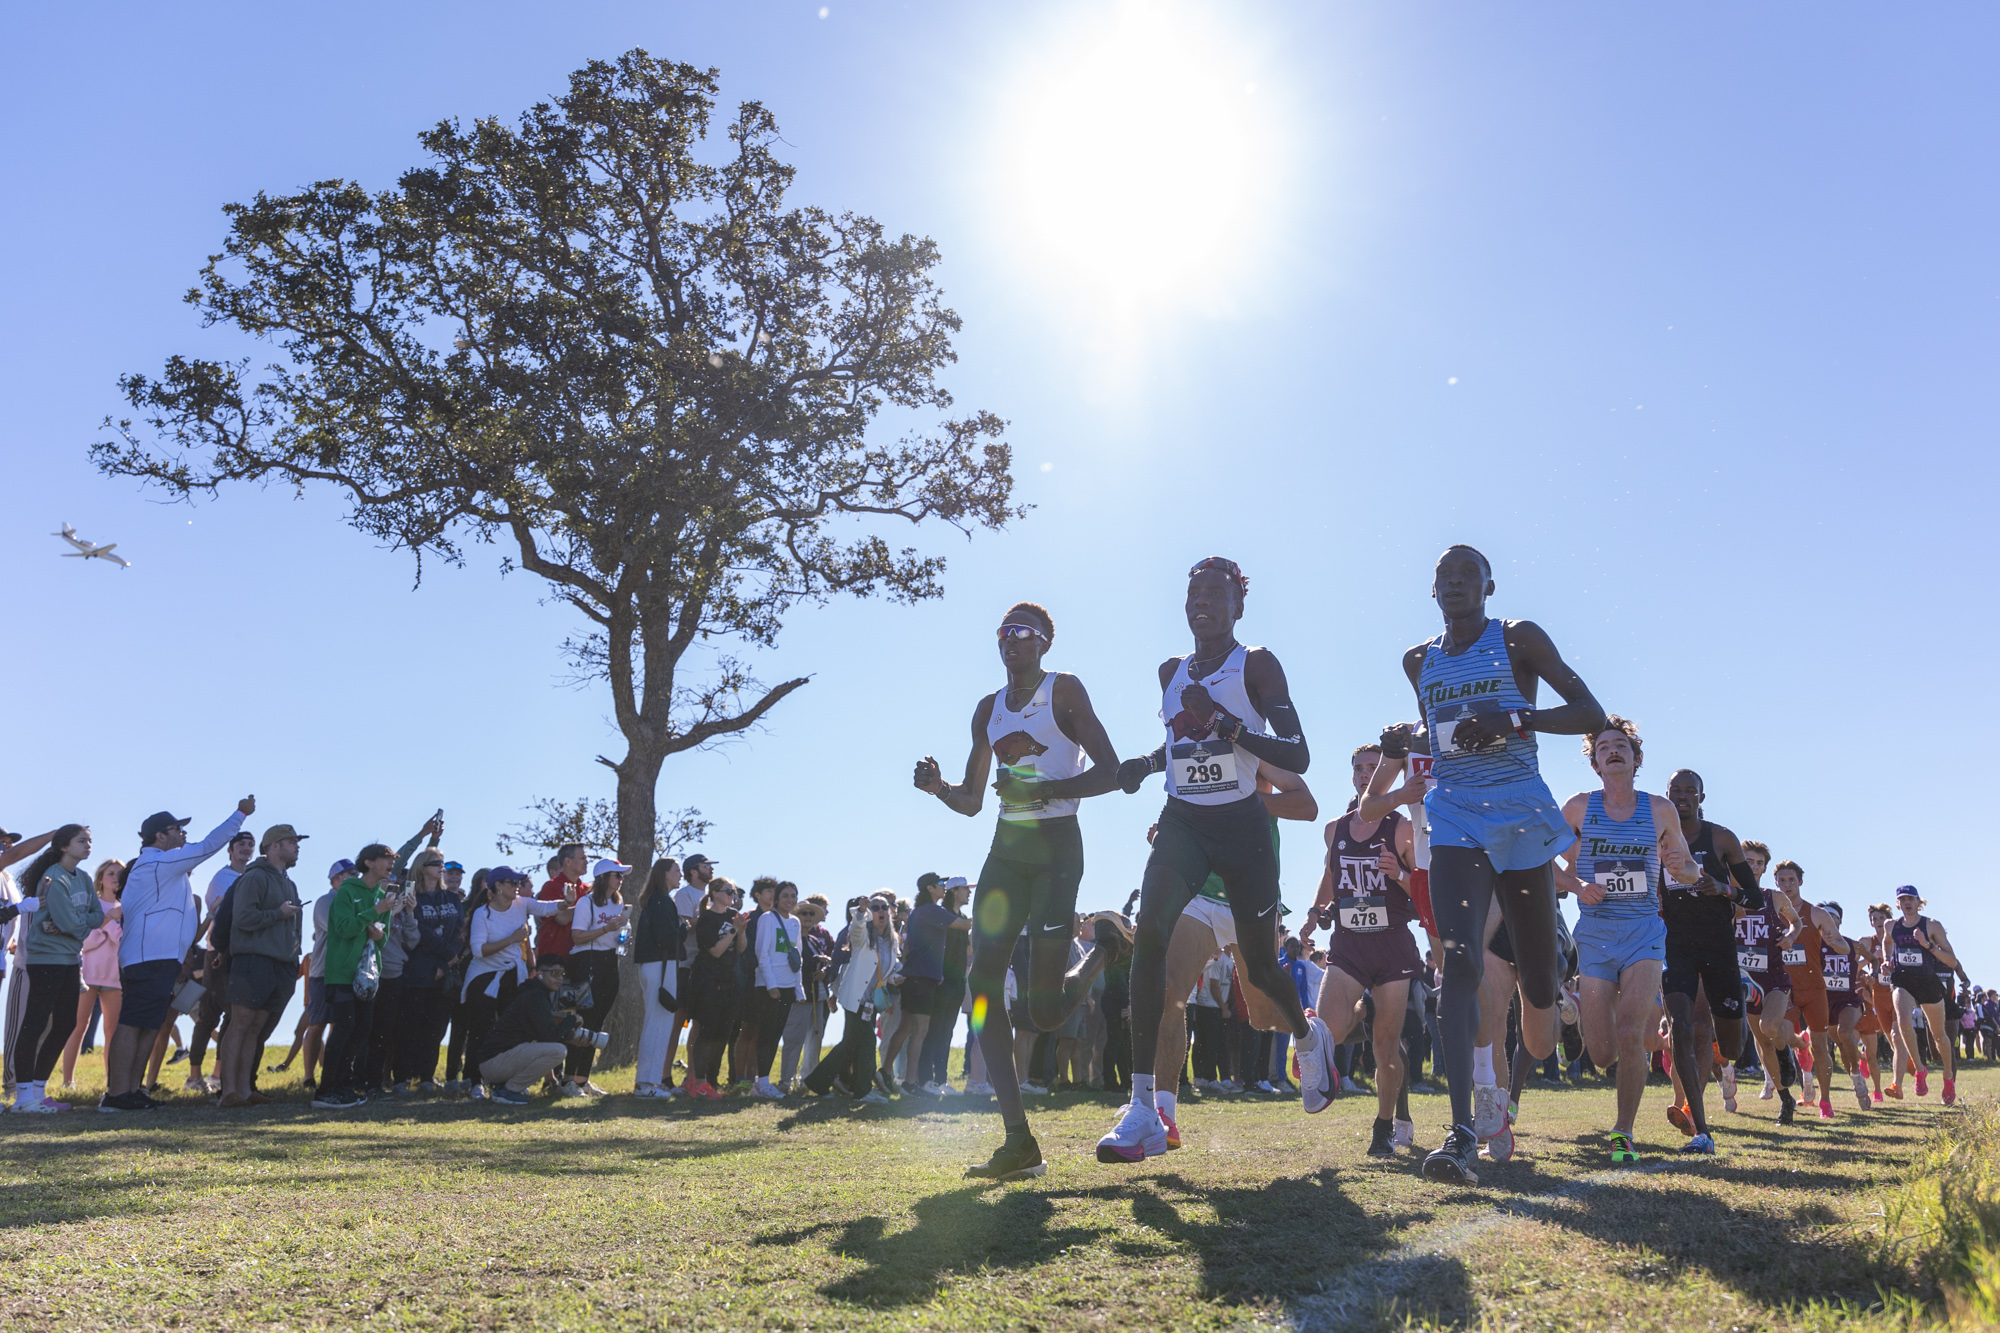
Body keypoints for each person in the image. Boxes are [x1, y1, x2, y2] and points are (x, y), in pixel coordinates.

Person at [1370, 545, 1606, 1185]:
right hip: (1454, 818)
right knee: (1461, 960)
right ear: (1433, 589)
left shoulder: (1518, 638)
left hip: (1522, 815)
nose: (1454, 584)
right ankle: (1464, 1128)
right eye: (1444, 576)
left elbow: (1591, 713)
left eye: (1467, 575)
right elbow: (1440, 733)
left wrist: (1513, 717)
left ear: (1489, 586)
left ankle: (1549, 994)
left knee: (1536, 991)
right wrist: (1406, 742)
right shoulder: (1418, 659)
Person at [1107, 559, 1324, 1166]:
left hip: (1242, 829)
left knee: (1262, 969)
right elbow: (1181, 740)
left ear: (1238, 606)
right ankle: (1145, 1110)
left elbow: (1297, 754)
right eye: (1193, 593)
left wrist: (1225, 721)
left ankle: (1309, 1039)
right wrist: (1145, 766)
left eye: (1216, 594)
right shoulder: (1171, 672)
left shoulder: (1256, 662)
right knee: (1149, 936)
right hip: (1184, 822)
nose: (1202, 602)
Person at [913, 599, 1131, 1180]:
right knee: (983, 987)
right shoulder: (988, 709)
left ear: (1045, 644)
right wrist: (939, 788)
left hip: (1058, 849)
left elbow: (1111, 772)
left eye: (1026, 632)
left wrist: (1041, 793)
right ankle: (1018, 1141)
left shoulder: (1064, 692)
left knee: (1045, 1010)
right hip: (1005, 854)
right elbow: (972, 801)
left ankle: (1105, 950)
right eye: (1005, 631)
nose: (1014, 639)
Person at [1142, 766, 1317, 1148]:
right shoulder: (1194, 746)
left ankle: (1309, 1031)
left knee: (1262, 1017)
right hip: (1201, 893)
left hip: (1251, 891)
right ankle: (1164, 1115)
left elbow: (1307, 805)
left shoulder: (1255, 750)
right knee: (1169, 991)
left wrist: (1244, 802)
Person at [1551, 718, 1700, 1165]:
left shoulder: (1659, 810)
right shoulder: (1578, 808)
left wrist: (1680, 866)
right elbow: (1540, 861)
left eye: (1621, 745)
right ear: (1594, 763)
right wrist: (1577, 886)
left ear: (1636, 759)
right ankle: (1577, 1012)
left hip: (1644, 934)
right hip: (1595, 936)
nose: (1612, 751)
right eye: (1603, 747)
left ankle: (1624, 1131)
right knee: (1601, 1054)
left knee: (1631, 1032)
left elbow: (1691, 871)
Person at [1302, 745, 1426, 1157]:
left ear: (1388, 776)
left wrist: (1401, 874)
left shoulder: (1403, 828)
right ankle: (1360, 1011)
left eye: (1374, 768)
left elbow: (1424, 890)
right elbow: (1329, 873)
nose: (1365, 774)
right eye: (1359, 768)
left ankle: (1384, 1124)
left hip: (1392, 945)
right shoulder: (1334, 828)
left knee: (1385, 1049)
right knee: (1325, 1033)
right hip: (1349, 943)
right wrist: (1315, 911)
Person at [101, 799, 254, 1112]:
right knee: (132, 1023)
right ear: (160, 836)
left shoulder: (162, 864)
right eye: (177, 829)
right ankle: (116, 1095)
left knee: (149, 1025)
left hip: (160, 959)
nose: (184, 834)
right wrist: (240, 814)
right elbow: (209, 845)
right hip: (147, 958)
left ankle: (133, 1091)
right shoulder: (157, 862)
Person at [1651, 770, 1761, 1153]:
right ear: (1665, 796)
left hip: (1718, 945)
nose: (1682, 797)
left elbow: (1755, 898)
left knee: (1731, 1044)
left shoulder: (1721, 838)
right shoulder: (1655, 837)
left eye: (1689, 791)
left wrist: (1723, 889)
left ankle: (1722, 1054)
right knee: (1682, 1025)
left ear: (1701, 797)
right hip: (1674, 944)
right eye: (1674, 791)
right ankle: (1702, 1129)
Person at [11, 825, 106, 1111]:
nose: (88, 845)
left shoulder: (85, 878)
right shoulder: (54, 877)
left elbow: (98, 915)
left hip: (70, 960)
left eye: (90, 840)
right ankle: (24, 1098)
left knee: (66, 1023)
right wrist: (76, 925)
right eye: (82, 841)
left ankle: (39, 1093)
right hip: (45, 960)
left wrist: (75, 925)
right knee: (35, 1023)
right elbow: (74, 924)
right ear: (64, 846)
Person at [216, 825, 307, 1107]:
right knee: (240, 1024)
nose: (297, 847)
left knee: (256, 1028)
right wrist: (278, 914)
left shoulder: (288, 882)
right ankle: (228, 1091)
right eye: (292, 841)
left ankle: (244, 1090)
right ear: (275, 846)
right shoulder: (254, 877)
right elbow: (243, 919)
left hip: (280, 964)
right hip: (253, 960)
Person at [880, 874, 973, 1097]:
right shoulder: (932, 911)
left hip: (915, 977)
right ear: (930, 888)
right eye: (941, 885)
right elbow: (965, 924)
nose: (943, 888)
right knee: (921, 1031)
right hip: (923, 978)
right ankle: (912, 1082)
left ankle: (888, 1073)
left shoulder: (919, 911)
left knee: (907, 1029)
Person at [1735, 841, 1806, 1122]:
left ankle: (1785, 1052)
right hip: (1745, 978)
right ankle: (1785, 1099)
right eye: (1748, 861)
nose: (1753, 867)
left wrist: (1789, 937)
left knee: (1769, 1027)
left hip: (1774, 976)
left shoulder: (1774, 898)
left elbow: (1796, 922)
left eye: (1758, 863)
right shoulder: (1730, 896)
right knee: (1760, 1042)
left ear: (1765, 868)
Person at [803, 893, 897, 1107]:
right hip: (855, 997)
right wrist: (861, 912)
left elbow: (886, 968)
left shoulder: (890, 940)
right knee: (867, 1042)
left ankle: (822, 1082)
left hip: (871, 1001)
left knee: (852, 1043)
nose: (881, 911)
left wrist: (897, 977)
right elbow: (856, 931)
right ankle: (861, 1090)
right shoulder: (863, 935)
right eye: (875, 907)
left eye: (884, 907)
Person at [473, 957, 602, 1105]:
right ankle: (509, 1091)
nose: (559, 978)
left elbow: (543, 1033)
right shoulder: (535, 996)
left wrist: (570, 1032)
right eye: (555, 973)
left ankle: (505, 1087)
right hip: (494, 1063)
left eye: (562, 974)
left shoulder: (534, 992)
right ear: (540, 974)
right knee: (558, 1051)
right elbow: (550, 1036)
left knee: (553, 1048)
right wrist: (572, 1020)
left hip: (494, 1062)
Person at [1882, 887, 1961, 1105]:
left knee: (1939, 1036)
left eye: (1910, 899)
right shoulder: (1892, 925)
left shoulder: (1931, 925)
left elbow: (1952, 961)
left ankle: (1947, 1078)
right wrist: (1888, 959)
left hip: (1927, 981)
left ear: (1919, 902)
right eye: (1902, 900)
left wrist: (1928, 946)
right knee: (1904, 1021)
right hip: (1902, 979)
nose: (1906, 903)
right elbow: (1887, 941)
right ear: (1898, 904)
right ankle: (1919, 1069)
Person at [562, 858, 631, 1097]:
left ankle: (582, 1080)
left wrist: (624, 938)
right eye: (617, 875)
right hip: (585, 962)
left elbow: (617, 936)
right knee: (581, 1020)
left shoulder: (618, 903)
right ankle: (568, 1079)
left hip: (609, 961)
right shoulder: (586, 902)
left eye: (622, 875)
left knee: (597, 1022)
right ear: (603, 877)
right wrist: (606, 929)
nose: (621, 880)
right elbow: (578, 937)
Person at [60, 859, 126, 1090]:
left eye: (120, 873)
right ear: (101, 878)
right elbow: (84, 942)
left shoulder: (128, 908)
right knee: (78, 1026)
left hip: (115, 978)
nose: (115, 877)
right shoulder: (91, 906)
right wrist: (108, 921)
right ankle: (68, 1082)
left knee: (113, 1031)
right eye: (110, 873)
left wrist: (104, 928)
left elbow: (122, 942)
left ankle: (112, 1084)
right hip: (86, 975)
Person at [401, 856, 466, 1092]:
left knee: (436, 1028)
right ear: (421, 867)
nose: (441, 866)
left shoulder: (450, 897)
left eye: (442, 862)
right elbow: (419, 930)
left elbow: (460, 930)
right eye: (435, 863)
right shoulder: (412, 895)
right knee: (411, 1025)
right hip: (418, 969)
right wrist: (445, 956)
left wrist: (447, 962)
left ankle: (426, 1078)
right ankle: (403, 1078)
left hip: (444, 971)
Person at [684, 878, 749, 1100]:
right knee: (707, 1031)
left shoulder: (734, 915)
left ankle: (710, 1081)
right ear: (714, 893)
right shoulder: (706, 918)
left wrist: (741, 931)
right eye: (728, 891)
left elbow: (741, 949)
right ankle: (698, 1080)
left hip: (729, 981)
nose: (732, 895)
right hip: (708, 981)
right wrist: (733, 929)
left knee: (723, 1033)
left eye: (735, 892)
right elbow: (715, 952)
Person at [744, 880, 807, 1099]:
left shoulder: (796, 923)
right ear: (777, 898)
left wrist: (798, 989)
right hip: (770, 986)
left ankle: (763, 1082)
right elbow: (762, 953)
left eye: (793, 896)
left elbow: (797, 957)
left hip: (788, 986)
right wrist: (771, 984)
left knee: (776, 1034)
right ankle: (761, 1082)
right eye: (785, 896)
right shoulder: (767, 919)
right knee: (767, 1033)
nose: (789, 900)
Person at [633, 858, 685, 1099]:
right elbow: (667, 937)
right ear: (665, 874)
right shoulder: (662, 901)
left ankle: (650, 1081)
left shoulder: (656, 900)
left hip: (657, 966)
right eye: (677, 870)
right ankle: (646, 1083)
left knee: (658, 1024)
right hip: (661, 967)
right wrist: (683, 928)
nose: (680, 874)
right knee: (658, 1025)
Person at [664, 853, 714, 1092]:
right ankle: (664, 1076)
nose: (710, 870)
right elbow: (684, 925)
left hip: (704, 967)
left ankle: (692, 1077)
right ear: (693, 871)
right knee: (677, 1022)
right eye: (706, 866)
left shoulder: (712, 895)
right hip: (684, 966)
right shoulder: (684, 895)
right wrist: (706, 918)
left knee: (700, 1023)